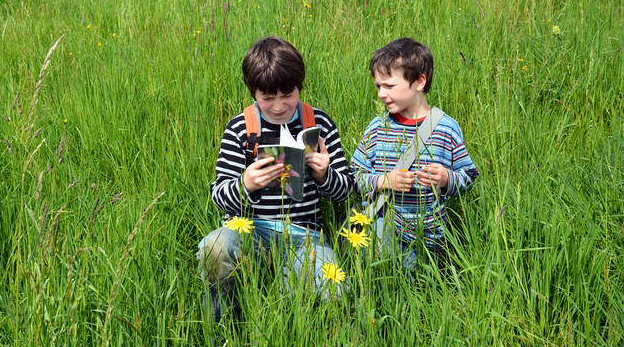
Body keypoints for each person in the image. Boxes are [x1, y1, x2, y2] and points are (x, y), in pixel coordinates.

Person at [197, 36, 353, 322]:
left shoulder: (320, 123)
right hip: (249, 231)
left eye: (288, 94)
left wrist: (324, 174)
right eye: (268, 97)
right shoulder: (240, 129)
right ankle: (223, 323)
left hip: (304, 236)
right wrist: (247, 184)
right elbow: (219, 195)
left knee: (333, 291)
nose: (279, 106)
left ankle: (295, 306)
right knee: (214, 248)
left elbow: (345, 191)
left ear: (299, 87)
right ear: (253, 93)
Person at [350, 37, 479, 271]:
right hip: (385, 228)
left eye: (389, 86)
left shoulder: (446, 128)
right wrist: (382, 181)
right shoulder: (378, 128)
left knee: (424, 285)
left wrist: (446, 179)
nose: (381, 93)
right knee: (391, 274)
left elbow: (468, 174)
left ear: (420, 82)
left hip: (432, 238)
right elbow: (354, 176)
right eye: (378, 86)